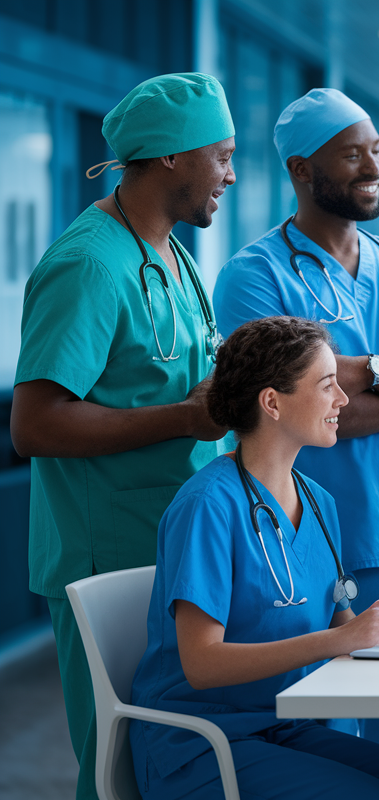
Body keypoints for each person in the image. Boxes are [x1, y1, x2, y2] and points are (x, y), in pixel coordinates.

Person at [129, 316, 379, 800]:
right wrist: (336, 638)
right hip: (202, 742)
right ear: (272, 402)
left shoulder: (317, 501)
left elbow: (345, 623)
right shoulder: (207, 505)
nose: (344, 401)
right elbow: (202, 664)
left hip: (285, 725)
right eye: (328, 385)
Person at [10, 73, 236, 800]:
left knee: (175, 762)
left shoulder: (172, 256)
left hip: (170, 547)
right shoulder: (89, 264)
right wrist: (183, 418)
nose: (230, 175)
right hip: (108, 556)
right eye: (222, 156)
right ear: (171, 156)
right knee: (121, 772)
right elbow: (35, 424)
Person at [212, 89, 379, 751]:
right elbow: (291, 413)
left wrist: (369, 371)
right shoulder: (255, 277)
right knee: (331, 731)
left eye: (376, 151)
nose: (373, 166)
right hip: (309, 544)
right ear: (301, 171)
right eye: (352, 155)